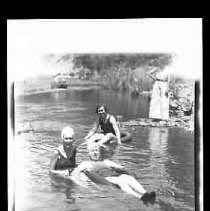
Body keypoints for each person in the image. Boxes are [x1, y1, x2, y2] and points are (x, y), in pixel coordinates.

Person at [71, 142, 156, 204]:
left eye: (96, 150)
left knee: (127, 177)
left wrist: (130, 172)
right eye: (92, 151)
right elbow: (74, 173)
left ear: (99, 152)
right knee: (121, 181)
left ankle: (145, 193)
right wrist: (81, 182)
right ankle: (140, 197)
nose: (95, 152)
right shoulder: (86, 164)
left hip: (115, 175)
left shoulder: (106, 161)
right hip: (106, 178)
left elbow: (120, 168)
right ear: (89, 153)